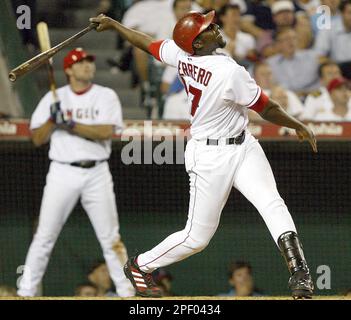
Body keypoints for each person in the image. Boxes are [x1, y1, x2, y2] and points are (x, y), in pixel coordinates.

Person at [90, 10, 317, 299]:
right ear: (197, 43)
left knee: (272, 203)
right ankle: (140, 265)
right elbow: (267, 107)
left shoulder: (182, 54)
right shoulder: (228, 72)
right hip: (210, 155)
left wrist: (113, 24)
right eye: (208, 28)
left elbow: (146, 43)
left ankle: (300, 274)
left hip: (243, 146)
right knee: (197, 238)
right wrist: (298, 124)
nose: (216, 27)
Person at [17, 48, 135, 298]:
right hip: (62, 172)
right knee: (44, 236)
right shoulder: (53, 98)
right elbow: (37, 139)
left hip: (97, 172)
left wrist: (69, 123)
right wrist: (52, 120)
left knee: (111, 238)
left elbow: (105, 132)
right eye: (80, 63)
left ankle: (126, 292)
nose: (87, 66)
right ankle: (25, 291)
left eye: (89, 61)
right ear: (68, 70)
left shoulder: (106, 95)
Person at [266, 28, 320, 94]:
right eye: (286, 39)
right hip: (284, 99)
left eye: (294, 38)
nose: (291, 42)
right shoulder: (269, 64)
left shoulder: (312, 57)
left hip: (312, 96)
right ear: (278, 44)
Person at [314, 0, 351, 79]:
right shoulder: (327, 30)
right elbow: (320, 56)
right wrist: (333, 67)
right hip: (337, 69)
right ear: (342, 14)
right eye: (349, 13)